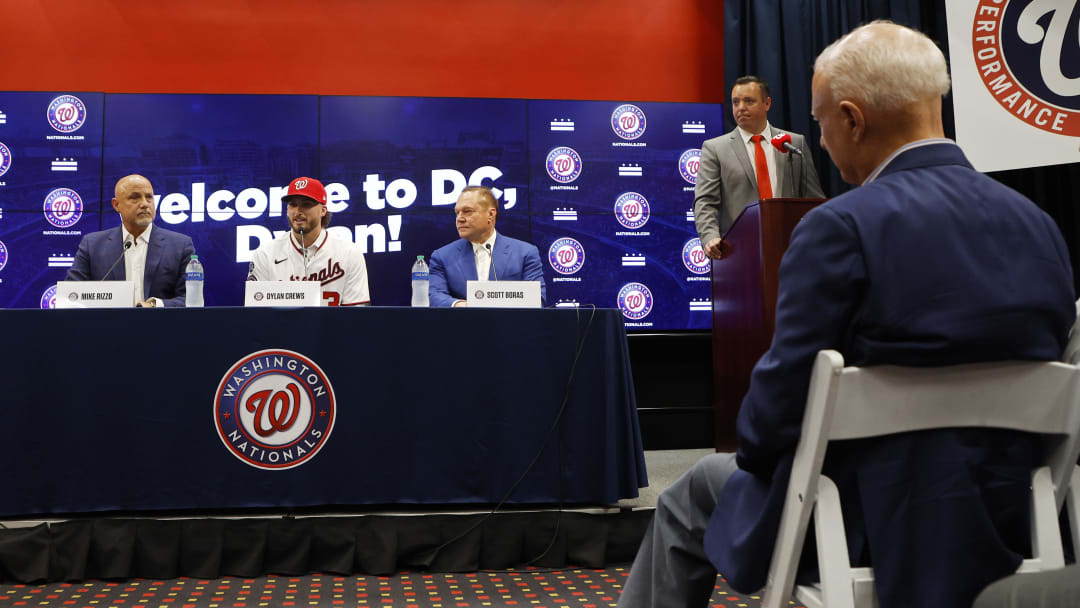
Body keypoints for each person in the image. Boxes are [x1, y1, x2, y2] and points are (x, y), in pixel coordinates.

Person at [617, 21, 1075, 608]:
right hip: (1018, 518)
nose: (823, 140)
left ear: (853, 119)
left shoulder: (839, 229)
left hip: (861, 522)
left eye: (821, 121)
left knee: (697, 487)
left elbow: (769, 424)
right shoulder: (1039, 226)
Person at [693, 75, 825, 259]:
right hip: (738, 252)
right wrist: (710, 237)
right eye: (735, 102)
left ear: (767, 103)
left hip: (791, 249)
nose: (741, 108)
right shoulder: (715, 148)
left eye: (748, 101)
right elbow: (705, 202)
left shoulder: (793, 143)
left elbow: (813, 199)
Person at [66, 174, 195, 307]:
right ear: (116, 205)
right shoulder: (92, 245)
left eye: (149, 197)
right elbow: (71, 295)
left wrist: (154, 305)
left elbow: (191, 300)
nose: (145, 204)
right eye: (135, 198)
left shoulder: (180, 246)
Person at [247, 176, 370, 306]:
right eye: (293, 204)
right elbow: (256, 315)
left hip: (334, 326)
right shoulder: (265, 254)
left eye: (306, 204)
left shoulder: (349, 253)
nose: (298, 211)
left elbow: (357, 316)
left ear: (323, 210)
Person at [429, 186, 546, 307]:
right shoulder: (442, 256)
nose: (460, 219)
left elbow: (538, 299)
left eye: (467, 211)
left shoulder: (524, 253)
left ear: (491, 214)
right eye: (457, 213)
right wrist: (463, 306)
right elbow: (435, 296)